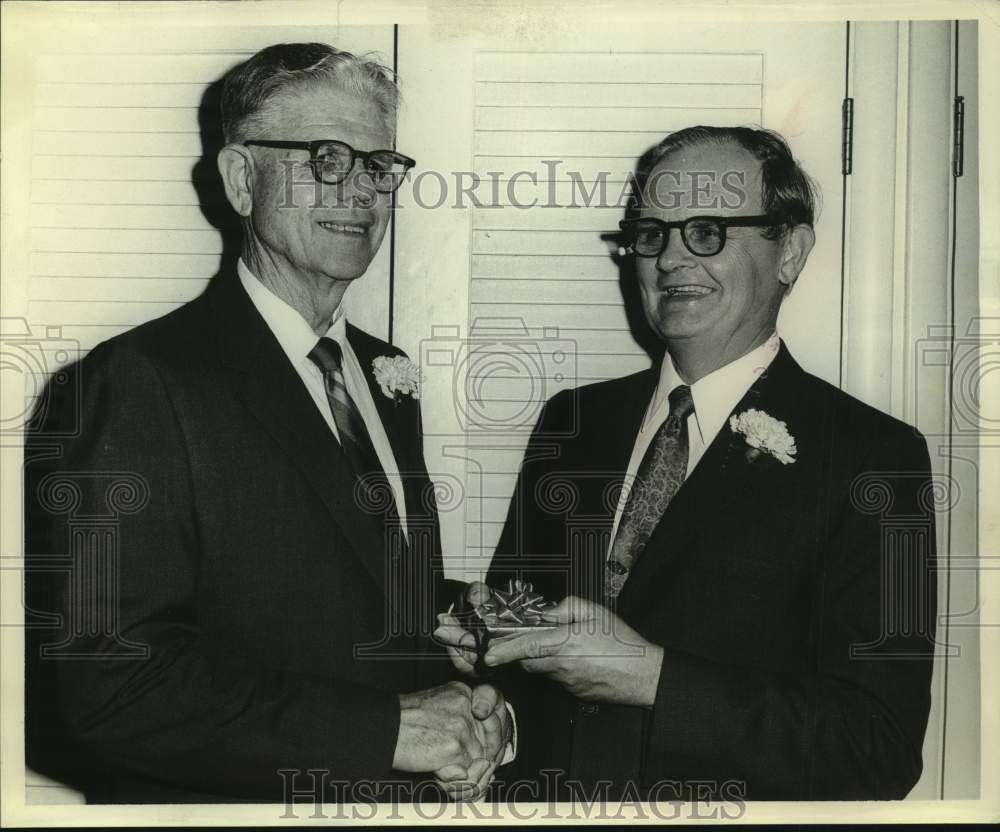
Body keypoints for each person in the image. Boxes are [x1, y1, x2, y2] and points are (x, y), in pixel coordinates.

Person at [24, 42, 510, 804]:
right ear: (242, 180)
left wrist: (461, 648)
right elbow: (108, 690)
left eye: (379, 166)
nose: (360, 192)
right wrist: (386, 731)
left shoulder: (386, 378)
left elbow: (319, 576)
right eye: (327, 158)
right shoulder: (138, 381)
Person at [436, 126, 937, 801]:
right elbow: (525, 634)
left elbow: (876, 748)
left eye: (707, 231)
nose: (671, 258)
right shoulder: (574, 421)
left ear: (790, 251)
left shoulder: (875, 456)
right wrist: (486, 663)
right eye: (652, 232)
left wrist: (651, 677)